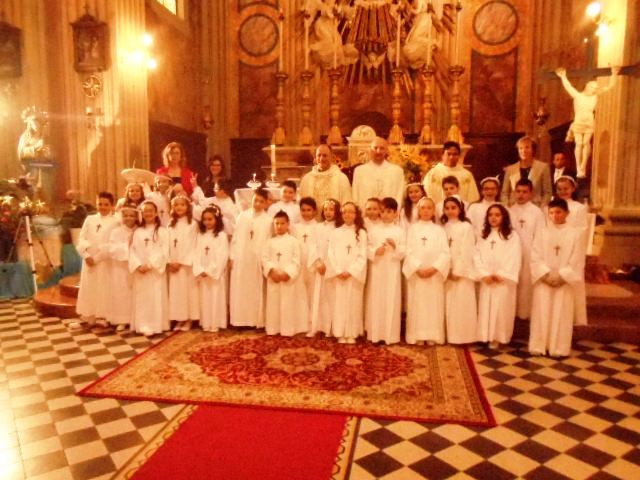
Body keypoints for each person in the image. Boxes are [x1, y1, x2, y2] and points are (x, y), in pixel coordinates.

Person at [529, 198, 586, 357]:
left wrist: (563, 277)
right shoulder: (542, 232)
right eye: (551, 212)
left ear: (567, 213)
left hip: (563, 282)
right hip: (544, 280)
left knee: (561, 314)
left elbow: (577, 259)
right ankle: (539, 345)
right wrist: (544, 275)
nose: (554, 216)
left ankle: (558, 348)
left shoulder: (575, 234)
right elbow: (535, 256)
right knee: (542, 312)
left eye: (558, 212)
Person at [555, 66, 620, 178]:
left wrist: (614, 74)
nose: (594, 90)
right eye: (592, 88)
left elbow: (610, 87)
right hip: (579, 122)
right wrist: (563, 77)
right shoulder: (578, 96)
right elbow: (569, 87)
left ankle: (583, 166)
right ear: (587, 87)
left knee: (586, 143)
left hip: (589, 122)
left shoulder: (595, 97)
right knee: (579, 144)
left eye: (595, 89)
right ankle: (578, 167)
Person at [403, 197, 450, 345]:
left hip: (433, 275)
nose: (426, 211)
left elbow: (445, 253)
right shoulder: (412, 229)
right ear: (418, 210)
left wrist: (434, 268)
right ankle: (416, 335)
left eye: (429, 208)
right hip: (417, 274)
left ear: (434, 211)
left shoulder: (439, 230)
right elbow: (408, 251)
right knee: (417, 304)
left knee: (433, 305)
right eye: (422, 208)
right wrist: (417, 268)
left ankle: (432, 335)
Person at [475, 204, 521, 348]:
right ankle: (485, 335)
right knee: (486, 307)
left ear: (504, 217)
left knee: (501, 307)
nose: (493, 218)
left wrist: (502, 273)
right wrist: (484, 273)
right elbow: (476, 255)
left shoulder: (511, 236)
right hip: (487, 279)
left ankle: (498, 337)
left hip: (502, 280)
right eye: (490, 215)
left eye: (497, 215)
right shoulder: (483, 235)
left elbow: (514, 256)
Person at [229, 188, 273, 328]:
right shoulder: (242, 216)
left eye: (261, 201)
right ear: (251, 200)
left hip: (257, 259)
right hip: (241, 257)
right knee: (240, 289)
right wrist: (232, 256)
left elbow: (268, 241)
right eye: (256, 200)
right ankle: (239, 320)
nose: (258, 204)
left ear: (266, 203)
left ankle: (254, 320)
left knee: (255, 289)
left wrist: (264, 260)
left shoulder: (268, 220)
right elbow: (235, 238)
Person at [365, 197, 405, 344]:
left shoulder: (400, 231)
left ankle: (390, 335)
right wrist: (375, 251)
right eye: (382, 211)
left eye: (389, 212)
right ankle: (375, 334)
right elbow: (367, 247)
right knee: (376, 299)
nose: (385, 215)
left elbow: (404, 251)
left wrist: (395, 247)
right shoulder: (374, 230)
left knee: (391, 298)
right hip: (377, 269)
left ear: (395, 213)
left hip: (392, 270)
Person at [76, 192, 119, 327]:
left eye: (106, 204)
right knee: (89, 288)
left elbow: (113, 243)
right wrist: (86, 255)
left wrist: (97, 258)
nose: (103, 207)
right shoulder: (90, 219)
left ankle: (103, 316)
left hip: (104, 260)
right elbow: (81, 238)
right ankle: (88, 315)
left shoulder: (116, 222)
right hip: (89, 260)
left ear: (112, 205)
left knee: (103, 287)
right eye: (100, 204)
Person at [262, 211, 309, 336]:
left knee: (287, 304)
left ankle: (288, 329)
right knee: (274, 303)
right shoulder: (269, 242)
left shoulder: (293, 242)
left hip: (288, 278)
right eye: (276, 223)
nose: (279, 226)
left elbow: (296, 260)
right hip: (274, 277)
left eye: (282, 223)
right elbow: (265, 259)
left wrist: (287, 273)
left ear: (288, 224)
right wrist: (271, 271)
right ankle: (273, 328)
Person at [327, 202, 367, 343]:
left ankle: (351, 333)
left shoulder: (361, 233)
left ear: (356, 214)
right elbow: (330, 253)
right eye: (345, 212)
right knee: (339, 303)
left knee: (353, 303)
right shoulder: (336, 232)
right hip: (339, 275)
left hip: (353, 275)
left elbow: (363, 255)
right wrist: (338, 271)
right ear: (341, 214)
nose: (348, 215)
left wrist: (351, 271)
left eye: (351, 212)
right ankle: (339, 332)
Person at [551, 175, 589, 326]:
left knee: (570, 281)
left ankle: (572, 316)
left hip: (571, 248)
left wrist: (569, 240)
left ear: (573, 189)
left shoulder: (579, 208)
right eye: (559, 189)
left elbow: (581, 230)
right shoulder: (552, 206)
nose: (563, 191)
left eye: (566, 188)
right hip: (554, 247)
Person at [129, 201, 169, 336]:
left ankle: (156, 325)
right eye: (145, 211)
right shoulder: (137, 232)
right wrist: (137, 265)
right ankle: (142, 324)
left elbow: (164, 251)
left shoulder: (162, 231)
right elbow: (132, 250)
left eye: (151, 210)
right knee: (142, 298)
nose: (148, 213)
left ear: (156, 213)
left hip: (154, 271)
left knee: (155, 297)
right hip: (140, 270)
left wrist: (150, 264)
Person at [441, 196, 477, 344]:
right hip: (447, 271)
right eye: (447, 208)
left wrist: (458, 270)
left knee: (461, 304)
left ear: (460, 209)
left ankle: (464, 336)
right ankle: (450, 335)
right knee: (448, 303)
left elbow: (467, 250)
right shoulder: (443, 227)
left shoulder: (466, 227)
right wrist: (446, 269)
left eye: (453, 208)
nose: (450, 211)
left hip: (462, 272)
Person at [509, 179, 545, 321]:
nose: (521, 195)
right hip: (512, 254)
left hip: (530, 252)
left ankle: (525, 314)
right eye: (518, 191)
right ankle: (512, 314)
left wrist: (536, 255)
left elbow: (540, 235)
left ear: (531, 194)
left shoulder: (537, 212)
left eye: (524, 192)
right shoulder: (509, 211)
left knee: (526, 283)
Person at [308, 199, 341, 337]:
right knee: (319, 296)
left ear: (337, 211)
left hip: (332, 267)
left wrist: (328, 264)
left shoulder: (339, 229)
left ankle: (331, 328)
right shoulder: (317, 227)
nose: (328, 212)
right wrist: (318, 263)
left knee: (331, 297)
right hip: (320, 266)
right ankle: (317, 326)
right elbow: (313, 245)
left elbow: (337, 250)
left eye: (331, 209)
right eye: (326, 209)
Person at [193, 206, 229, 332]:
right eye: (205, 219)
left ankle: (215, 323)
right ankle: (206, 323)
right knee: (205, 299)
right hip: (202, 272)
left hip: (214, 274)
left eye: (210, 219)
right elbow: (196, 253)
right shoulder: (200, 235)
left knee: (215, 296)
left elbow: (222, 255)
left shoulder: (221, 236)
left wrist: (209, 270)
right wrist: (200, 269)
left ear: (216, 220)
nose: (207, 222)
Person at [167, 195, 199, 331]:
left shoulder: (192, 224)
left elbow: (191, 244)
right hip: (173, 263)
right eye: (176, 205)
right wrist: (169, 261)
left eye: (182, 205)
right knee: (176, 292)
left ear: (188, 207)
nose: (179, 207)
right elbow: (166, 243)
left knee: (187, 291)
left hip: (186, 264)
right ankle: (179, 318)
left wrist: (180, 262)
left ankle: (189, 319)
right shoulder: (170, 224)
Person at [106, 203, 138, 332]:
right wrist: (127, 246)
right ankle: (122, 320)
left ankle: (135, 319)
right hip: (120, 267)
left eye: (132, 216)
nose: (129, 218)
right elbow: (112, 249)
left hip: (136, 266)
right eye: (126, 216)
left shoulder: (139, 231)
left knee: (135, 293)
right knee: (122, 293)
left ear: (136, 217)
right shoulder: (116, 232)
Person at [299, 144, 352, 217]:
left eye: (325, 156)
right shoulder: (307, 179)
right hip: (311, 222)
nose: (321, 159)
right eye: (319, 155)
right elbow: (301, 205)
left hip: (335, 222)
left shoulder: (341, 178)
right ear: (315, 158)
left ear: (332, 157)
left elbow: (346, 205)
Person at [352, 137, 405, 209]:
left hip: (389, 213)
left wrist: (395, 212)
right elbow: (355, 196)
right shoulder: (359, 171)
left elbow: (400, 195)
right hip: (366, 213)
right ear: (370, 150)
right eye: (375, 148)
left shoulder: (397, 171)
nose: (378, 151)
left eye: (382, 148)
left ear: (386, 151)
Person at [501, 136, 552, 206]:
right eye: (521, 148)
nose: (524, 151)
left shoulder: (543, 167)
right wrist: (507, 207)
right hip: (514, 207)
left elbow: (547, 192)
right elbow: (504, 193)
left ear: (533, 150)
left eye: (527, 147)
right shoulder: (510, 169)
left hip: (535, 207)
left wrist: (541, 208)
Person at [292, 197, 318, 318]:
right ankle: (300, 318)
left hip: (313, 264)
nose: (306, 213)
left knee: (312, 291)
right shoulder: (295, 227)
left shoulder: (319, 227)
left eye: (309, 210)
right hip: (299, 263)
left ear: (314, 211)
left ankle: (312, 319)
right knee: (299, 291)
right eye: (303, 210)